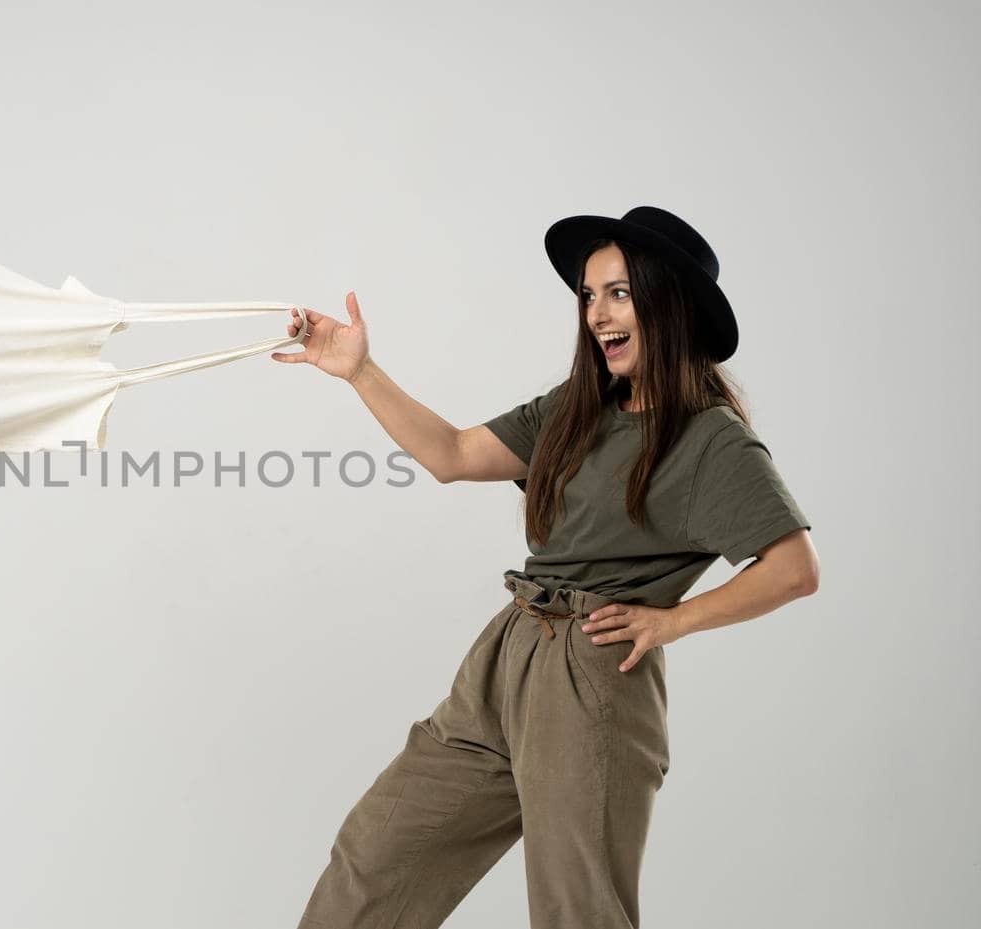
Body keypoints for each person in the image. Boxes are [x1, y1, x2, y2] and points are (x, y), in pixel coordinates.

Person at [270, 206, 820, 929]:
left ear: (671, 304)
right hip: (508, 655)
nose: (597, 313)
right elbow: (453, 455)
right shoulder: (580, 408)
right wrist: (360, 371)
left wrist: (673, 620)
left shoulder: (709, 439)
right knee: (375, 859)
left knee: (575, 912)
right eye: (589, 295)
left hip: (590, 676)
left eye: (619, 292)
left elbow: (793, 566)